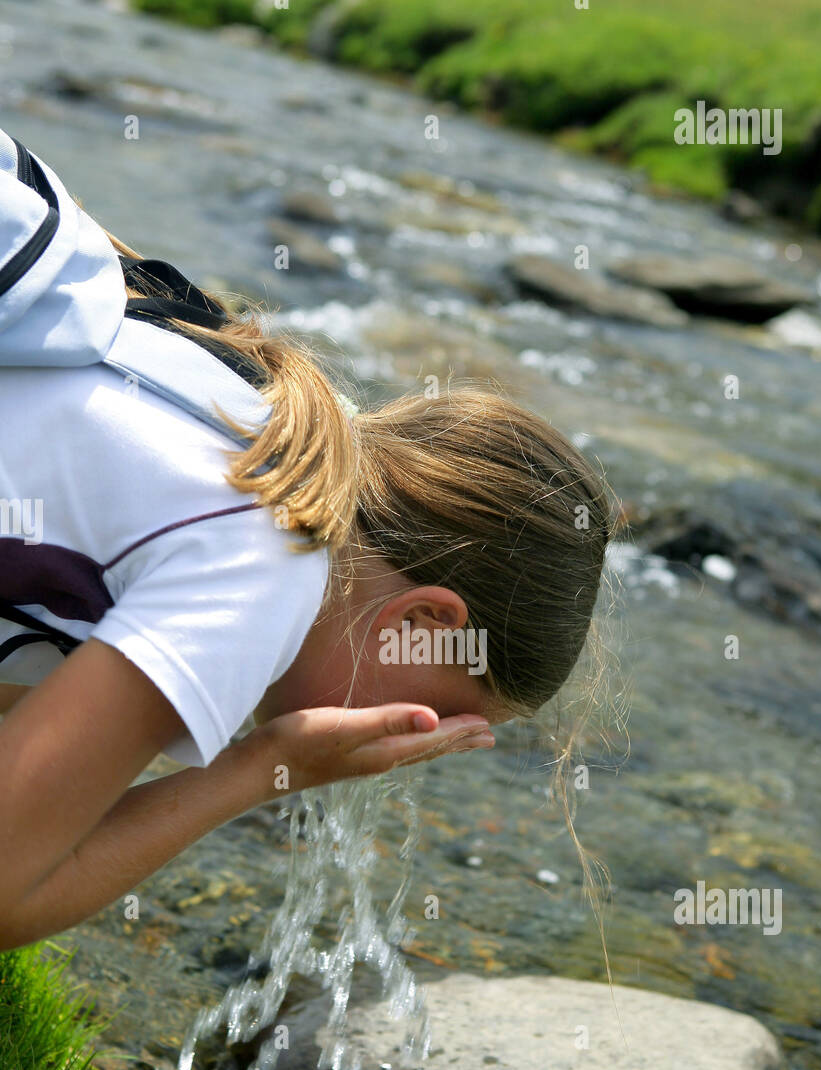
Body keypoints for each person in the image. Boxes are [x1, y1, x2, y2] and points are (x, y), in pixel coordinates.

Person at [0, 127, 611, 951]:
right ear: (426, 621)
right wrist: (258, 768)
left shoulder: (251, 399)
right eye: (428, 715)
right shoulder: (272, 563)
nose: (401, 738)